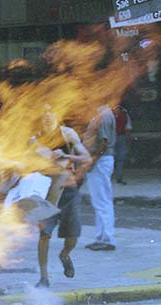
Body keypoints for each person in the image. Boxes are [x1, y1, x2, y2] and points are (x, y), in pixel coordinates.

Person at [33, 110, 92, 288]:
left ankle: (65, 254)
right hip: (48, 193)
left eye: (51, 115)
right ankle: (44, 277)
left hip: (69, 191)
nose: (47, 118)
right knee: (44, 234)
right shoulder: (35, 139)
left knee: (72, 234)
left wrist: (66, 156)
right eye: (44, 116)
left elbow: (86, 158)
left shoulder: (68, 134)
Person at [83, 105, 117, 251]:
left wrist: (92, 161)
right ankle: (101, 237)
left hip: (100, 162)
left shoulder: (103, 115)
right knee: (101, 201)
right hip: (101, 161)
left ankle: (107, 239)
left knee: (102, 201)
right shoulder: (103, 113)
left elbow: (103, 143)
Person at [113, 105, 132, 185]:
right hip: (121, 136)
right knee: (120, 159)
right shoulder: (125, 116)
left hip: (111, 137)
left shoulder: (109, 116)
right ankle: (119, 177)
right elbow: (128, 130)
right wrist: (128, 142)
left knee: (109, 158)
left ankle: (107, 177)